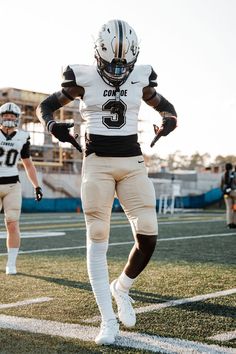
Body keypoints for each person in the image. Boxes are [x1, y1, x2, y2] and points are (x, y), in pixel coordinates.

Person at [36, 19, 177, 345]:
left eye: (123, 64)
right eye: (111, 63)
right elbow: (46, 105)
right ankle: (107, 320)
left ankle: (122, 287)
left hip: (132, 162)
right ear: (97, 55)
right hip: (97, 164)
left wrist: (169, 121)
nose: (117, 69)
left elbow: (165, 106)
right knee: (97, 238)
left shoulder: (142, 75)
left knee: (149, 236)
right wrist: (50, 125)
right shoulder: (81, 77)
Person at [0, 102, 43, 275]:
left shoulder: (22, 137)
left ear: (17, 118)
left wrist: (37, 186)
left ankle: (11, 263)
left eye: (12, 116)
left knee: (12, 224)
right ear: (1, 116)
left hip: (12, 185)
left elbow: (28, 165)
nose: (9, 118)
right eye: (6, 115)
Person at [221, 162, 236, 228]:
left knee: (229, 208)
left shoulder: (223, 175)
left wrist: (224, 191)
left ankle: (229, 223)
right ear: (231, 167)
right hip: (234, 192)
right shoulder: (234, 174)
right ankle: (235, 222)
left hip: (226, 193)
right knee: (235, 208)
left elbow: (221, 185)